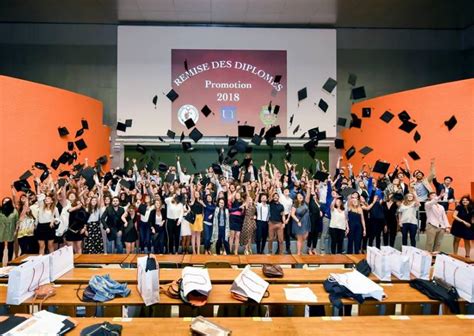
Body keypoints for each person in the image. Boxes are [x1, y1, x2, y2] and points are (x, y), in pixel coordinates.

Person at [0, 197, 19, 263]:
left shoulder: (14, 211)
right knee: (0, 249)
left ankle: (9, 262)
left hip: (11, 231)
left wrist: (16, 230)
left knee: (10, 248)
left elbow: (17, 221)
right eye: (4, 201)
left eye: (7, 202)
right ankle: (0, 265)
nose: (6, 203)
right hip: (1, 231)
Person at [307, 181, 322, 255]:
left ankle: (314, 248)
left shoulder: (318, 201)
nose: (315, 194)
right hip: (312, 217)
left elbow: (318, 193)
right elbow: (312, 191)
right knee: (311, 233)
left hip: (318, 218)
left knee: (316, 233)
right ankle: (309, 248)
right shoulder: (311, 199)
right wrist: (312, 182)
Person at [189, 185, 204, 255]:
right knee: (193, 235)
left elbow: (204, 207)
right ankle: (194, 251)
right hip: (193, 217)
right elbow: (192, 191)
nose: (196, 194)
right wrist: (193, 186)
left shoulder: (201, 201)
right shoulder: (192, 200)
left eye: (197, 193)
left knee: (198, 235)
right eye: (195, 193)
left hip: (200, 217)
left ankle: (198, 250)